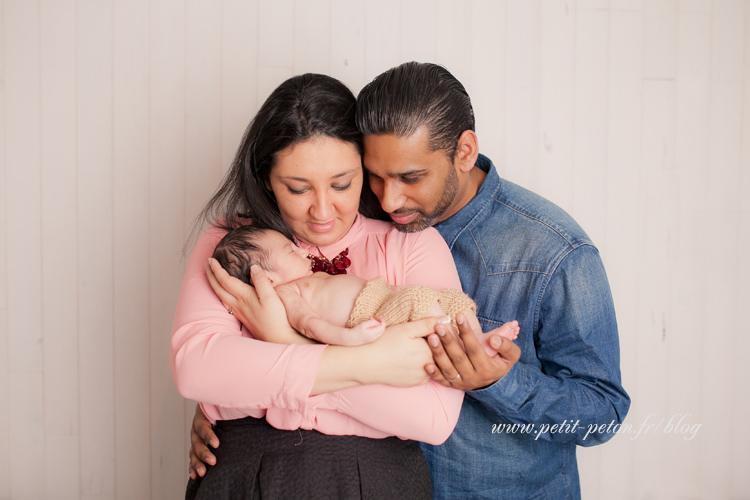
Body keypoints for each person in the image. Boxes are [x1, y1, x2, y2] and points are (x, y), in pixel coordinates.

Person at [190, 62, 630, 500]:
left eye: (410, 178)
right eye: (375, 177)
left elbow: (603, 412)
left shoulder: (552, 251)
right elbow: (206, 364)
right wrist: (237, 395)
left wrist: (498, 381)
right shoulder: (364, 219)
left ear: (464, 151)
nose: (387, 198)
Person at [171, 72, 517, 499]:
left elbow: (431, 418)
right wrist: (371, 367)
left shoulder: (409, 244)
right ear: (265, 179)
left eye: (342, 184)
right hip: (246, 480)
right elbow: (197, 370)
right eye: (297, 188)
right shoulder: (235, 244)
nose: (322, 210)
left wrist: (278, 346)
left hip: (376, 483)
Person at [211, 224, 520, 347]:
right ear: (266, 279)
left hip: (383, 298)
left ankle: (478, 340)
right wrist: (348, 338)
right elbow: (309, 325)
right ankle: (468, 345)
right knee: (420, 298)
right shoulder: (286, 293)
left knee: (453, 298)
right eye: (292, 252)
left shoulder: (305, 279)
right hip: (369, 317)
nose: (304, 251)